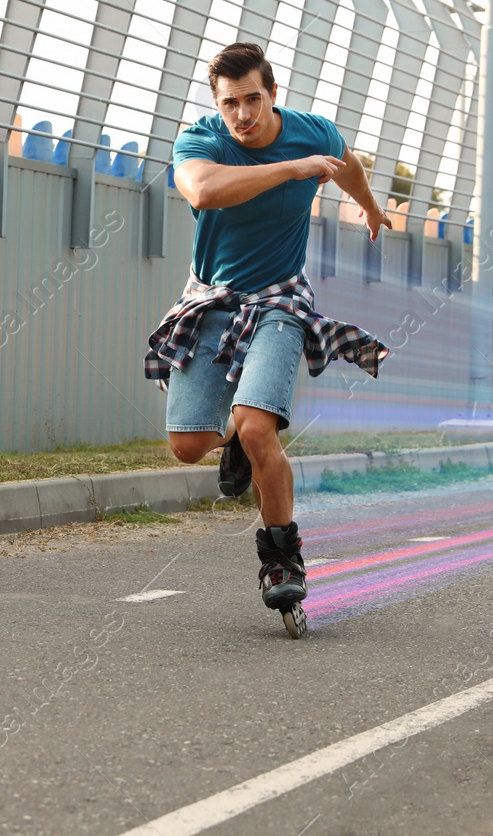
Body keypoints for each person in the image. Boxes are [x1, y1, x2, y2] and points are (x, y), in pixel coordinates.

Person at [144, 42, 392, 618]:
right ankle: (227, 441)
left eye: (253, 100)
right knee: (187, 446)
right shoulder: (201, 140)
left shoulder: (315, 134)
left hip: (280, 300)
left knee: (259, 430)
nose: (243, 116)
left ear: (273, 93)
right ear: (217, 103)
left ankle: (281, 558)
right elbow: (203, 190)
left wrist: (371, 207)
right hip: (212, 301)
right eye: (231, 104)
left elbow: (347, 166)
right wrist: (292, 170)